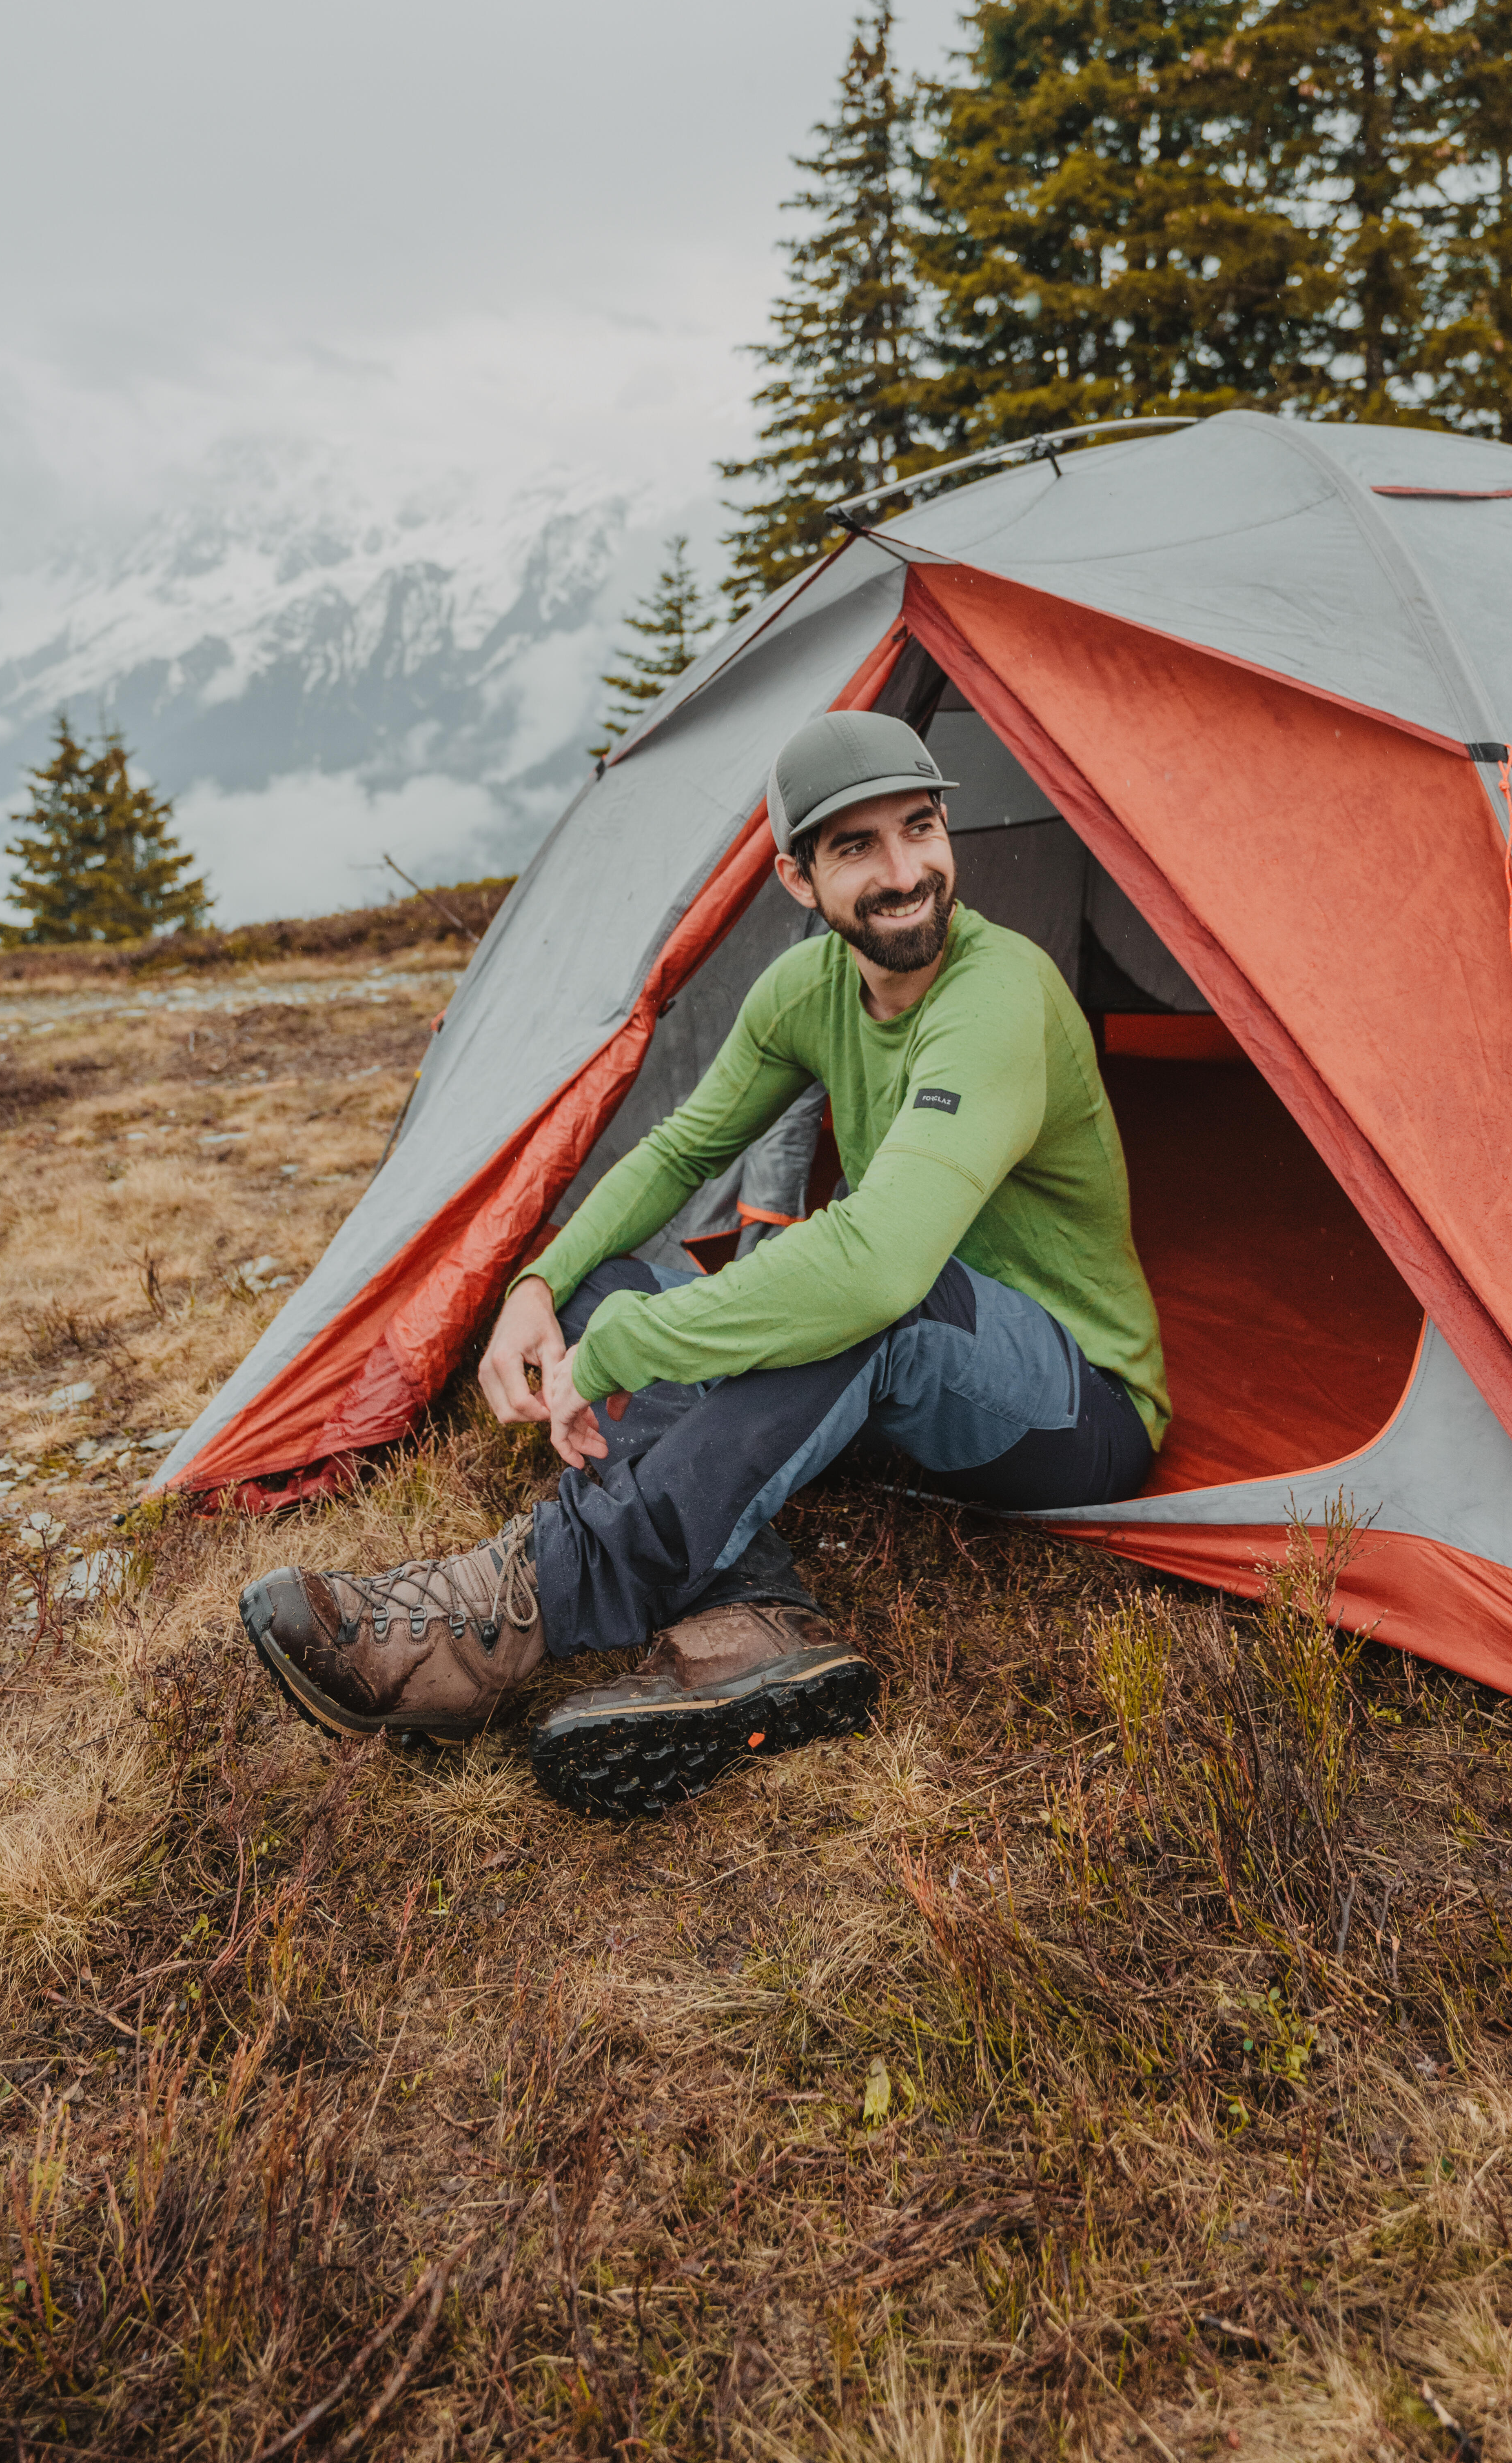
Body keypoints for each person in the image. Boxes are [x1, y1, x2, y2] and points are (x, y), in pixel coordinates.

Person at [239, 709, 1168, 1815]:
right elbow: (683, 1148)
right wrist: (539, 1284)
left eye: (921, 828)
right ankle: (753, 1622)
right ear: (796, 877)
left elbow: (878, 1269)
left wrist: (631, 1351)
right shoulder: (804, 991)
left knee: (864, 1287)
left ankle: (519, 1604)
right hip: (903, 1389)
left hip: (1072, 1411)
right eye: (857, 847)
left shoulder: (998, 993)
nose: (906, 870)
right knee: (607, 1285)